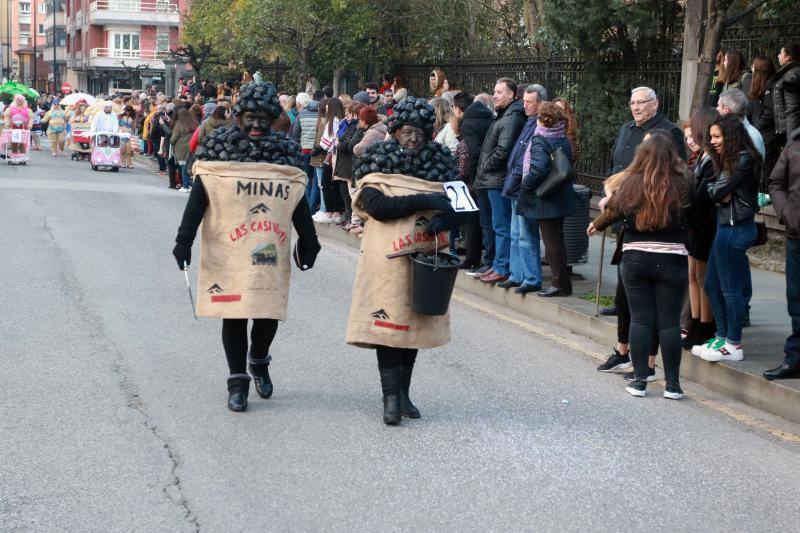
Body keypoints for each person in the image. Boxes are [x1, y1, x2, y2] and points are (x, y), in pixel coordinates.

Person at [172, 81, 321, 412]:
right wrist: (184, 240)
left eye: (263, 119)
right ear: (238, 116)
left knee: (266, 312)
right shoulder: (215, 150)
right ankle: (237, 381)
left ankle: (259, 359)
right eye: (250, 117)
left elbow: (295, 200)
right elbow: (199, 197)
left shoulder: (285, 154)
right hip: (228, 249)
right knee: (235, 314)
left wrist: (310, 240)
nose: (256, 125)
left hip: (270, 245)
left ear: (272, 120)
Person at [345, 96, 462, 425]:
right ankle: (390, 396)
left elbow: (463, 209)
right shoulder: (377, 162)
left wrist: (446, 220)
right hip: (386, 260)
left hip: (425, 258)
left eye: (420, 134)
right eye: (408, 132)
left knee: (413, 326)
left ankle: (406, 393)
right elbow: (377, 206)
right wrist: (425, 199)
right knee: (388, 328)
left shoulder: (439, 166)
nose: (414, 139)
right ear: (395, 133)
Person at [589, 132, 695, 399]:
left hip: (635, 257)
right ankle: (673, 385)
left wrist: (597, 223)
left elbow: (614, 209)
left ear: (642, 155)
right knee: (669, 323)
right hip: (672, 258)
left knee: (641, 320)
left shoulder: (631, 183)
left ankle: (639, 381)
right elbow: (697, 214)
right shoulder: (684, 182)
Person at [598, 86, 685, 319]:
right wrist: (608, 191)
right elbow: (614, 164)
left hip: (647, 209)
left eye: (641, 103)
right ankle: (622, 304)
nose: (635, 107)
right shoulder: (625, 129)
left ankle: (636, 307)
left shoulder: (668, 131)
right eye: (633, 103)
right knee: (623, 255)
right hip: (620, 203)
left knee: (636, 257)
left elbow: (675, 170)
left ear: (655, 104)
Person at [692, 114, 762, 362]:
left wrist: (719, 192)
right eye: (711, 137)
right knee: (712, 284)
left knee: (730, 289)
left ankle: (733, 343)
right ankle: (722, 337)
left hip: (736, 228)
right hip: (726, 226)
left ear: (730, 136)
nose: (713, 142)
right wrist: (719, 192)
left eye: (717, 137)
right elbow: (715, 191)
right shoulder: (730, 160)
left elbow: (715, 190)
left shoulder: (743, 159)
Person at [517, 101, 575, 297]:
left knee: (551, 244)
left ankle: (559, 284)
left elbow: (538, 169)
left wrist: (525, 186)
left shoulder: (541, 139)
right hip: (560, 196)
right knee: (558, 241)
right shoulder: (562, 138)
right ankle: (563, 282)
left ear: (542, 119)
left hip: (547, 198)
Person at [474, 78, 527, 284]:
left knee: (502, 226)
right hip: (492, 179)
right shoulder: (504, 115)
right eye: (494, 91)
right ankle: (497, 265)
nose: (494, 95)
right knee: (498, 225)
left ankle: (501, 267)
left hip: (497, 180)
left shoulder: (512, 117)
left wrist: (485, 166)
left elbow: (503, 150)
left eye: (499, 92)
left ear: (512, 95)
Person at [499, 84, 547, 294]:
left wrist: (518, 180)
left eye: (529, 102)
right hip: (515, 185)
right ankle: (517, 275)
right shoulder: (529, 121)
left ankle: (531, 278)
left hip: (524, 188)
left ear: (540, 104)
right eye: (524, 101)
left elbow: (532, 159)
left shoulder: (541, 124)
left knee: (527, 236)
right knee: (516, 233)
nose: (525, 105)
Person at [681, 108, 721, 350]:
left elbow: (702, 196)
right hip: (695, 225)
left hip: (705, 225)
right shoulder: (702, 158)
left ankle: (706, 325)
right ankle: (695, 321)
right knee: (693, 276)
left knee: (703, 278)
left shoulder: (712, 161)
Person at [765, 126, 800, 380]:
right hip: (795, 235)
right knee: (796, 301)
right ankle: (795, 359)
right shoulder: (795, 142)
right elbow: (776, 182)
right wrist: (787, 214)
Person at [456, 92, 494, 271]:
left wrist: (472, 179)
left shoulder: (468, 123)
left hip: (477, 178)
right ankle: (483, 259)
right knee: (486, 221)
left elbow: (473, 153)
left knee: (475, 220)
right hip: (490, 175)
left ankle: (474, 259)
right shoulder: (490, 119)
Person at [748, 55, 779, 185]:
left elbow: (769, 112)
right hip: (759, 131)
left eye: (754, 66)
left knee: (767, 165)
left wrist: (757, 127)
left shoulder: (769, 86)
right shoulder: (759, 86)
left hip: (766, 133)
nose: (751, 68)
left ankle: (766, 191)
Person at [316, 96, 346, 223]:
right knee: (335, 185)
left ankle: (329, 212)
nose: (326, 107)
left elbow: (324, 143)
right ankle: (337, 212)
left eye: (328, 105)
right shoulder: (342, 120)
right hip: (340, 158)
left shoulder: (332, 122)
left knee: (325, 184)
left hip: (331, 156)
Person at [290, 93, 321, 211]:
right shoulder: (321, 113)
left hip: (305, 150)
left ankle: (307, 206)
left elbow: (295, 134)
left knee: (307, 178)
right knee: (316, 179)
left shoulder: (301, 114)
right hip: (318, 150)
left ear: (298, 104)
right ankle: (313, 206)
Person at [717, 88, 765, 158]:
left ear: (726, 110)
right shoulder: (730, 129)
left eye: (718, 105)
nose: (716, 108)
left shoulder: (751, 138)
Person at [773, 41, 800, 141]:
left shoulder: (791, 75)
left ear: (788, 57)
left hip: (791, 130)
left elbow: (793, 108)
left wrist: (791, 137)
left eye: (781, 53)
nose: (778, 56)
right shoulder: (787, 73)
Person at [170, 108, 198, 192]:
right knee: (189, 167)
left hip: (181, 148)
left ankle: (185, 186)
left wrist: (172, 142)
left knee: (183, 167)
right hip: (192, 147)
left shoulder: (179, 123)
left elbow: (174, 137)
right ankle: (190, 185)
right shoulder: (194, 123)